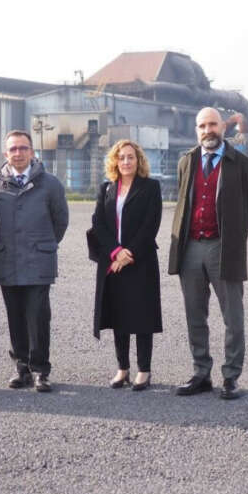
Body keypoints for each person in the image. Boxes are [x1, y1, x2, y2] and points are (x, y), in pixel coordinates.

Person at [167, 107, 248, 400]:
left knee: (233, 316)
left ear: (223, 127)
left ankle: (231, 377)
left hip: (223, 247)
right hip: (190, 246)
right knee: (195, 314)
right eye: (202, 126)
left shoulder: (241, 164)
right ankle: (201, 373)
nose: (208, 130)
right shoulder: (186, 161)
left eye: (213, 125)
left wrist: (232, 238)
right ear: (197, 130)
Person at [0, 130, 69, 392]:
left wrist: (44, 244)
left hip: (38, 260)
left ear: (32, 152)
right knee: (15, 317)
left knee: (38, 316)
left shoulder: (50, 184)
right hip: (7, 261)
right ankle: (21, 368)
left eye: (23, 148)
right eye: (13, 149)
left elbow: (61, 222)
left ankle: (40, 370)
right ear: (6, 154)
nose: (18, 153)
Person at [90, 140, 162, 391]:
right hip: (113, 262)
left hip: (140, 261)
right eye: (121, 157)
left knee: (142, 317)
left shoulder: (151, 187)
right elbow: (98, 223)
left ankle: (144, 370)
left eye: (131, 157)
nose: (126, 162)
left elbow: (151, 224)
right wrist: (116, 251)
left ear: (138, 160)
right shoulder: (106, 188)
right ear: (115, 161)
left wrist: (129, 252)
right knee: (118, 315)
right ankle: (123, 369)